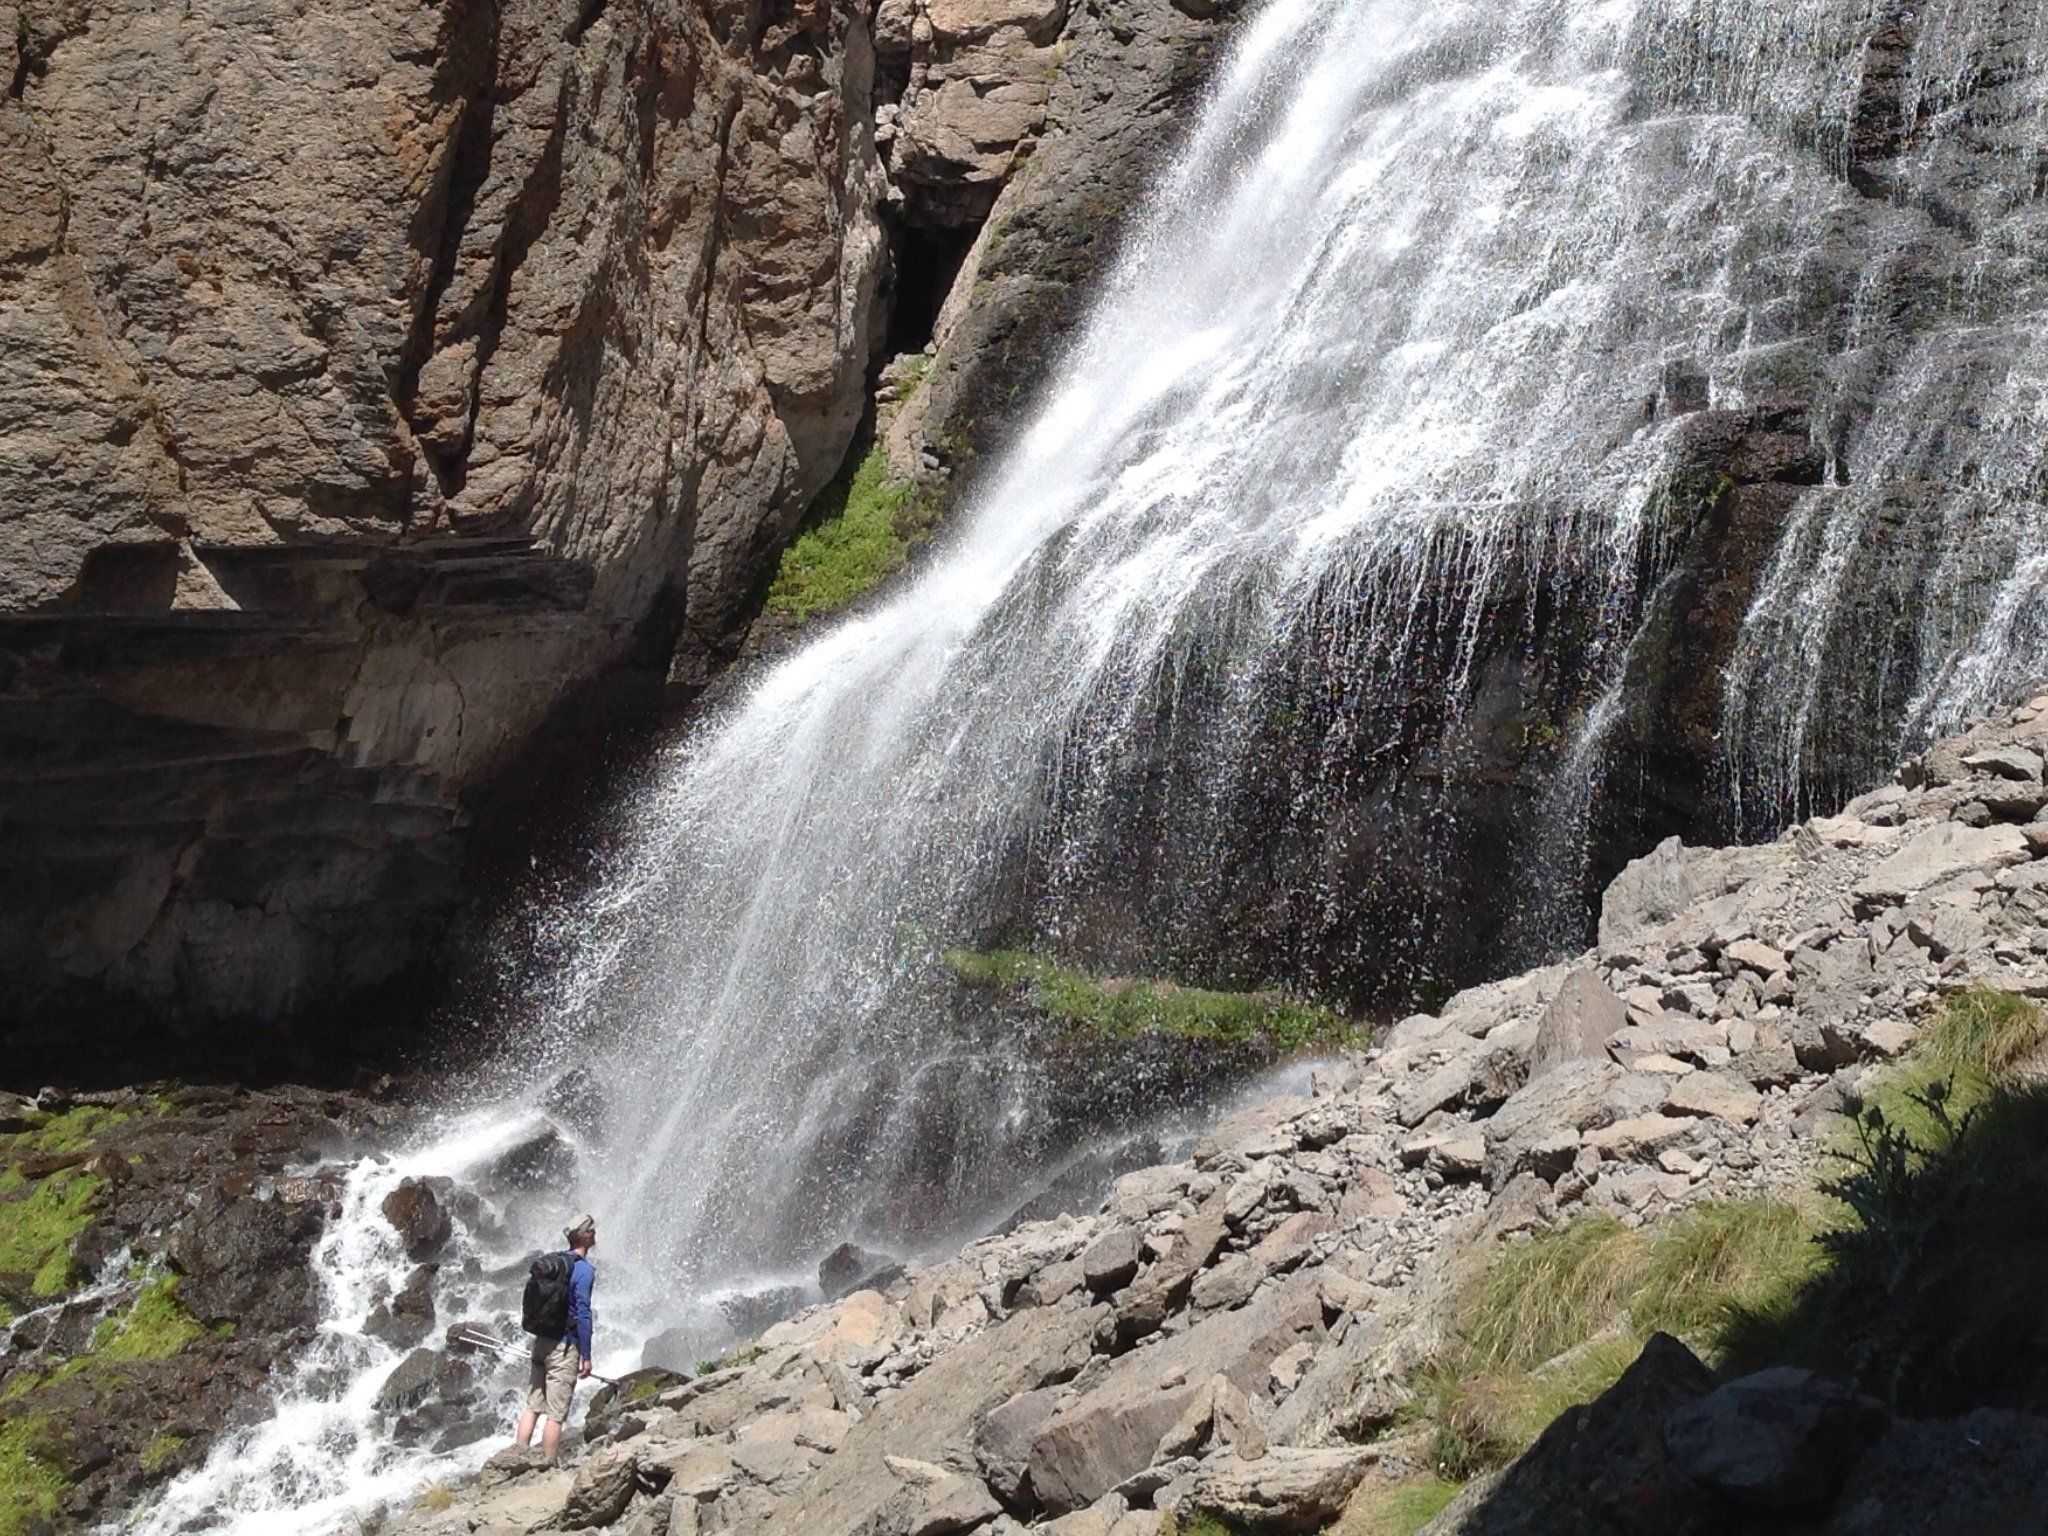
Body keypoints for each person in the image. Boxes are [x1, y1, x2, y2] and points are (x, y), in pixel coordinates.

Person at [514, 1214, 597, 1460]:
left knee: (532, 1407)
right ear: (585, 1236)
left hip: (541, 1342)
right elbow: (583, 1314)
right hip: (564, 1347)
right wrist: (586, 1356)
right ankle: (547, 1467)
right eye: (592, 1230)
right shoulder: (583, 1270)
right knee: (555, 1415)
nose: (595, 1233)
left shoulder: (556, 1263)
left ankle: (516, 1459)